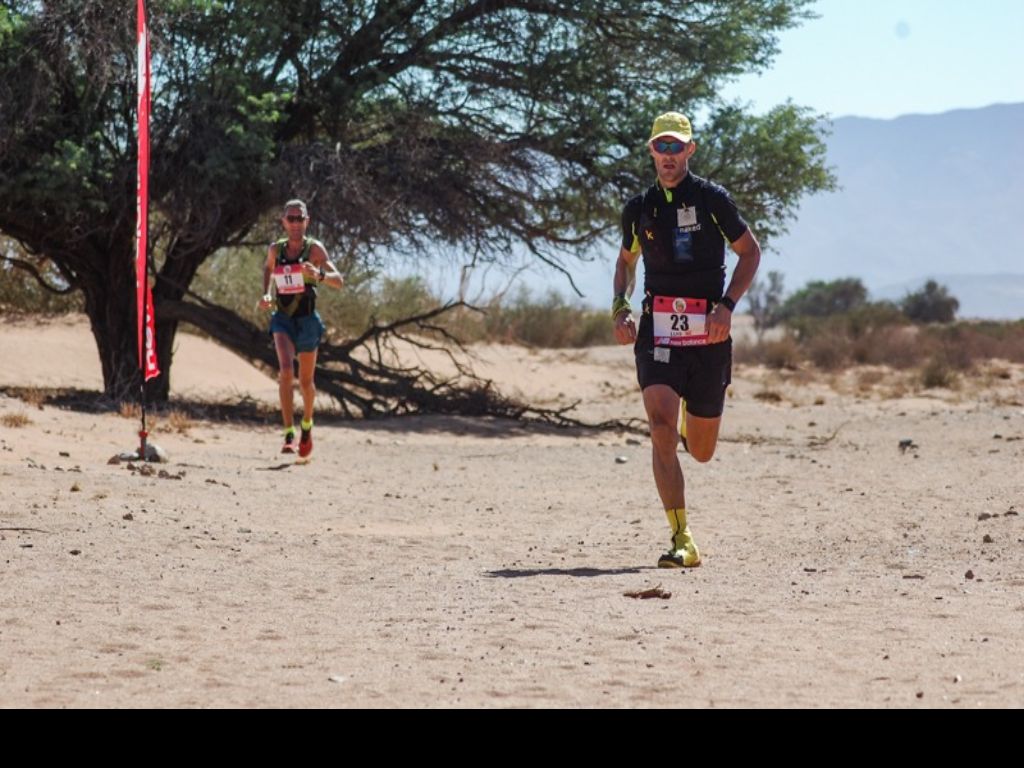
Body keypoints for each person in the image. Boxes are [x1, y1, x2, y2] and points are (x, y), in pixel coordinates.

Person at [612, 112, 761, 568]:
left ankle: (688, 423)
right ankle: (682, 537)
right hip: (658, 330)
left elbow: (750, 253)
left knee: (700, 450)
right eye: (661, 147)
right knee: (659, 429)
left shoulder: (713, 200)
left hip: (709, 334)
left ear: (690, 150)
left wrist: (728, 306)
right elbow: (625, 261)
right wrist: (619, 304)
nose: (669, 155)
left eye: (677, 147)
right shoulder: (638, 209)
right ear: (651, 152)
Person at [258, 199, 343, 458]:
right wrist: (266, 294)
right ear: (283, 222)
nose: (295, 223)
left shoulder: (314, 249)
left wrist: (318, 275)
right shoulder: (276, 249)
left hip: (307, 320)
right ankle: (288, 434)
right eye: (290, 219)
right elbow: (268, 269)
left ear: (307, 221)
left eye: (299, 218)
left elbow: (339, 281)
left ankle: (306, 425)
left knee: (306, 382)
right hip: (283, 318)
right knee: (285, 372)